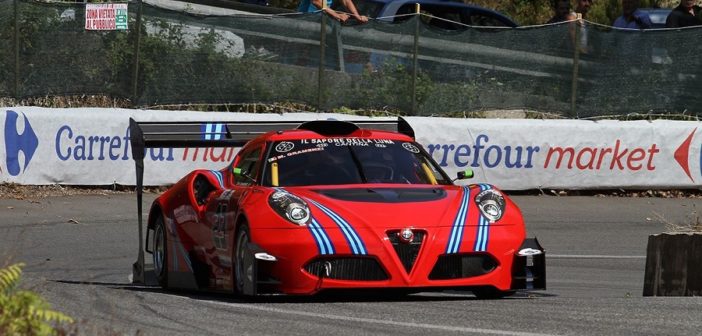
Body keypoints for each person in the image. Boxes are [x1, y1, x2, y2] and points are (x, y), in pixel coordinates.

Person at [298, 0, 369, 23]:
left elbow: (346, 1)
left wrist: (357, 16)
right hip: (305, 21)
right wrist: (336, 15)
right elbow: (316, 1)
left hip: (322, 22)